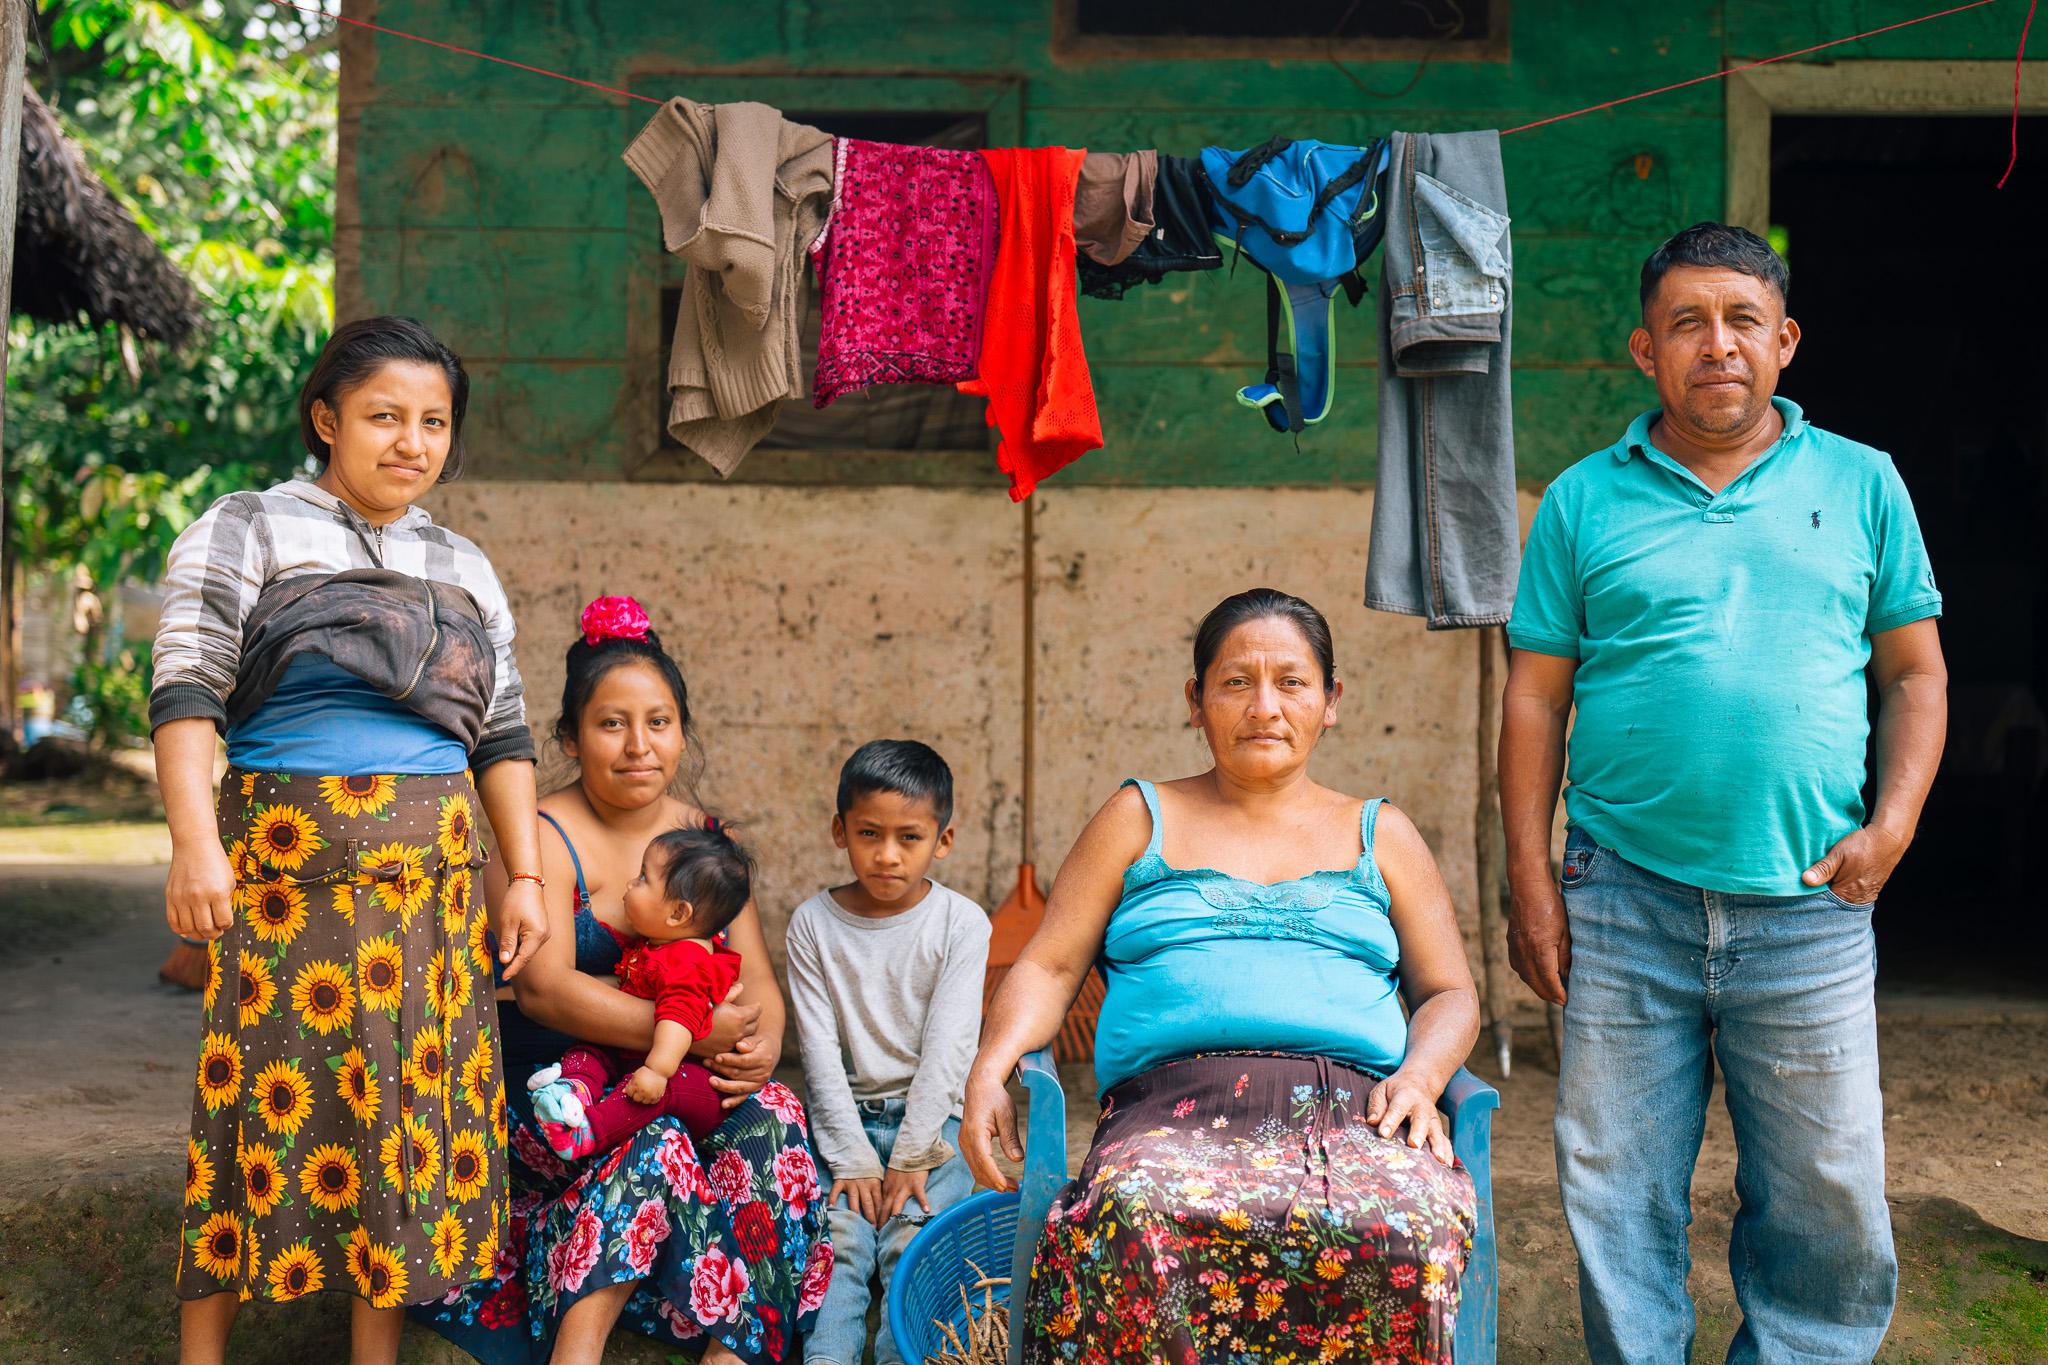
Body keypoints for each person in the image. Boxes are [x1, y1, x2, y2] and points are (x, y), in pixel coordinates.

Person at [1501, 222, 1948, 1364]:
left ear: (1783, 340)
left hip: (1807, 901)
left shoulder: (1862, 482)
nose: (1716, 345)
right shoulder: (1580, 502)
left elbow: (1913, 673)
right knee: (1615, 1188)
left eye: (1740, 320)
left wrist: (1890, 828)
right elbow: (1533, 700)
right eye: (1685, 323)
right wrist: (1526, 879)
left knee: (1824, 1195)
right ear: (1643, 350)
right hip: (1620, 893)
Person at [151, 316, 550, 1364]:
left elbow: (502, 731)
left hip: (432, 891)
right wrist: (197, 847)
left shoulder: (462, 562)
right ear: (326, 419)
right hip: (289, 881)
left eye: (433, 422)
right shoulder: (246, 528)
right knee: (256, 1109)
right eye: (384, 416)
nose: (411, 442)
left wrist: (527, 876)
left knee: (399, 1121)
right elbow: (186, 692)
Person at [965, 588, 1480, 1364]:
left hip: (1354, 1115)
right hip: (1166, 1116)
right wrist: (987, 1065)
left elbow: (1449, 992)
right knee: (1131, 1209)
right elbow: (1049, 961)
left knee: (1411, 1219)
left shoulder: (1383, 833)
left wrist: (1422, 1074)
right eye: (1236, 682)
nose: (1264, 705)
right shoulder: (1138, 817)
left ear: (1331, 700)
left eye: (1293, 681)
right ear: (1195, 701)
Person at [418, 595, 831, 1365]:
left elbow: (761, 984)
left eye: (660, 721)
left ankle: (735, 1353)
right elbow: (542, 987)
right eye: (612, 723)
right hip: (558, 1098)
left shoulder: (706, 840)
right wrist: (686, 1035)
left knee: (776, 1116)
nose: (639, 745)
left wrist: (757, 1047)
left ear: (682, 731)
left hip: (675, 1081)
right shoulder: (532, 834)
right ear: (570, 737)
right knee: (658, 1140)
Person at [786, 740, 990, 1365]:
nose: (887, 854)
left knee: (912, 1241)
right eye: (869, 833)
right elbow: (816, 1052)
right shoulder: (813, 924)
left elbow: (950, 1047)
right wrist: (851, 1158)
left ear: (943, 841)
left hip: (935, 1122)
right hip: (844, 1121)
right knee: (838, 1244)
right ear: (839, 831)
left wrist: (915, 1151)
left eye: (909, 837)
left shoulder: (962, 923)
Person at [530, 826, 754, 1157]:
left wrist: (657, 1070)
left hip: (688, 1078)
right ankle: (571, 1092)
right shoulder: (657, 945)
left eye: (642, 878)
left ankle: (590, 1132)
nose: (630, 884)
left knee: (659, 1091)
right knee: (591, 1048)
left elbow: (679, 1017)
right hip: (636, 1057)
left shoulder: (688, 962)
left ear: (678, 913)